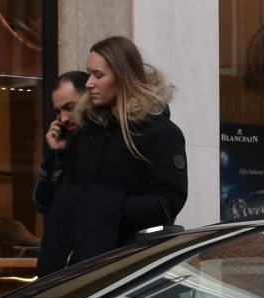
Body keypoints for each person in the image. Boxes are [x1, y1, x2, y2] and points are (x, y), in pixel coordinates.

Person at [42, 35, 187, 270]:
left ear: (123, 76)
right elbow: (67, 195)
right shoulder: (87, 131)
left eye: (98, 75)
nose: (89, 83)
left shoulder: (159, 131)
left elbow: (169, 201)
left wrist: (105, 208)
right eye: (89, 74)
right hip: (86, 269)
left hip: (138, 267)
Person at [30, 70, 88, 275]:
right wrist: (56, 153)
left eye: (69, 108)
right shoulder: (67, 145)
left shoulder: (97, 142)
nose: (63, 118)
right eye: (58, 111)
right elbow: (42, 203)